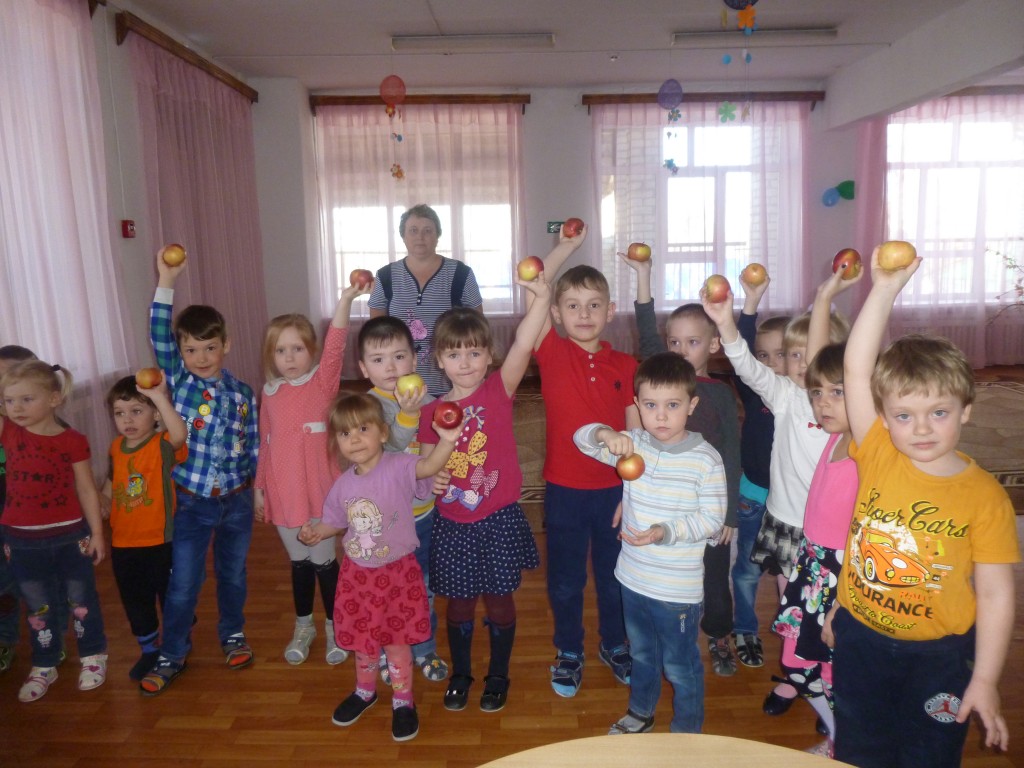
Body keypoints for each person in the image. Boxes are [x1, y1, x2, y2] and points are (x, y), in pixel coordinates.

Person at [824, 247, 1019, 768]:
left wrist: (985, 679)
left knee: (930, 755)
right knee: (860, 747)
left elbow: (996, 594)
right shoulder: (878, 452)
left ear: (965, 410)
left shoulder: (985, 496)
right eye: (905, 415)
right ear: (884, 417)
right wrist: (885, 289)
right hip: (861, 640)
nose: (922, 428)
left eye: (938, 412)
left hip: (939, 657)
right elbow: (856, 369)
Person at [702, 280, 849, 712]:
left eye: (809, 354)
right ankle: (796, 677)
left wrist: (824, 299)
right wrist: (726, 324)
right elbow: (747, 367)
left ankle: (829, 687)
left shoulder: (849, 409)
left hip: (833, 538)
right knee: (793, 611)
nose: (802, 364)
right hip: (786, 527)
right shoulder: (785, 396)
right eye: (793, 355)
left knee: (830, 617)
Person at [417, 268, 552, 713]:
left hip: (498, 519)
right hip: (454, 523)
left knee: (499, 602)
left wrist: (541, 299)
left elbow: (524, 344)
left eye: (474, 352)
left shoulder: (498, 390)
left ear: (489, 356)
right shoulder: (432, 412)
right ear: (438, 360)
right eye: (454, 354)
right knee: (459, 606)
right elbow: (425, 466)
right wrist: (433, 478)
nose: (465, 362)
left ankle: (498, 674)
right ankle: (461, 673)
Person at [575, 352, 727, 734]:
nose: (660, 416)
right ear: (637, 404)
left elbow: (712, 519)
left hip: (676, 590)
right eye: (650, 405)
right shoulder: (634, 445)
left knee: (680, 665)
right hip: (633, 579)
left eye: (672, 405)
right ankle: (641, 713)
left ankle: (687, 731)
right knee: (642, 655)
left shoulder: (706, 460)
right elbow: (581, 440)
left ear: (691, 405)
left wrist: (664, 531)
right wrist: (605, 434)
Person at [298, 392, 462, 743]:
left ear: (383, 433)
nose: (354, 439)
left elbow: (429, 468)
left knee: (397, 642)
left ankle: (403, 700)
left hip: (398, 573)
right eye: (345, 433)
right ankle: (365, 691)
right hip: (358, 576)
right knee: (364, 641)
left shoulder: (400, 465)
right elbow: (335, 521)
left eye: (363, 429)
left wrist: (447, 440)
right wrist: (316, 532)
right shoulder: (343, 484)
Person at [139, 251, 259, 695]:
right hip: (191, 503)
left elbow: (253, 443)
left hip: (236, 501)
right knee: (184, 583)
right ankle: (172, 653)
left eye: (210, 347)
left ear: (226, 345)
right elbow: (159, 332)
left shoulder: (243, 392)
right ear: (180, 353)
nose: (201, 356)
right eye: (190, 349)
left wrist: (258, 490)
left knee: (233, 575)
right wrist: (167, 279)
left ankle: (233, 634)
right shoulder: (180, 381)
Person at [533, 225, 640, 697]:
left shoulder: (627, 365)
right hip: (564, 491)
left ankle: (615, 644)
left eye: (594, 305)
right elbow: (539, 285)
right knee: (566, 581)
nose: (583, 314)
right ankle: (569, 650)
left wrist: (635, 491)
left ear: (610, 311)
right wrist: (566, 247)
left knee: (616, 577)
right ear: (556, 313)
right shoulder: (551, 351)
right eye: (572, 305)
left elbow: (635, 435)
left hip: (615, 493)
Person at [622, 253, 741, 677]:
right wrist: (643, 275)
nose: (681, 351)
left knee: (715, 577)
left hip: (709, 507)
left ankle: (720, 633)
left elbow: (731, 455)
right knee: (671, 572)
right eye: (674, 343)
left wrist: (729, 514)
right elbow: (646, 331)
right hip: (667, 503)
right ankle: (663, 630)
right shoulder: (664, 385)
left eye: (692, 342)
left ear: (713, 345)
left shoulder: (720, 394)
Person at [254, 285, 368, 666]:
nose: (289, 357)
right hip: (284, 495)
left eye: (297, 348)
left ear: (312, 351)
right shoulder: (269, 392)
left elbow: (336, 345)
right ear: (271, 355)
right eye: (280, 350)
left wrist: (346, 301)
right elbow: (265, 442)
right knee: (299, 563)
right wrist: (259, 489)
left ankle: (337, 626)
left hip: (321, 494)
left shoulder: (322, 383)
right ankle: (304, 626)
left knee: (324, 564)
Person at [0, 360, 108, 702]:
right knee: (38, 606)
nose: (16, 408)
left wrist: (98, 533)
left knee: (81, 601)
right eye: (9, 401)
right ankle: (45, 662)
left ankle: (92, 656)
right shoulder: (9, 432)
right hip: (21, 540)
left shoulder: (73, 440)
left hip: (70, 536)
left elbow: (87, 489)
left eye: (26, 399)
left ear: (54, 398)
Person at [770, 340, 856, 758]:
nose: (823, 402)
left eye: (837, 392)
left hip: (840, 578)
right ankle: (840, 737)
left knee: (834, 672)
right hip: (813, 569)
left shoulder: (864, 451)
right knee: (798, 664)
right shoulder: (832, 438)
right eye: (817, 392)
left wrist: (843, 599)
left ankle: (847, 745)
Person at [357, 316, 449, 681]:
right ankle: (387, 652)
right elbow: (389, 451)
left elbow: (444, 445)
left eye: (399, 356)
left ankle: (425, 648)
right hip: (386, 522)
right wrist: (409, 415)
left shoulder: (430, 401)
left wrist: (442, 467)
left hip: (424, 515)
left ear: (414, 359)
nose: (391, 367)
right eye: (378, 360)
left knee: (423, 588)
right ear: (364, 368)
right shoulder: (366, 408)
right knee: (386, 591)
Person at [101, 373, 188, 681]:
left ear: (155, 415)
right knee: (136, 601)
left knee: (171, 597)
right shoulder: (115, 447)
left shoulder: (161, 445)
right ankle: (149, 650)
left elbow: (179, 435)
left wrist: (160, 398)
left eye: (137, 411)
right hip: (123, 544)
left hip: (160, 542)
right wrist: (100, 503)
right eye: (119, 413)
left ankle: (178, 642)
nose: (127, 420)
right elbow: (112, 485)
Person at [730, 273, 791, 670]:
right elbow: (742, 345)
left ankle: (795, 634)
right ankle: (744, 629)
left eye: (781, 354)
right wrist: (750, 303)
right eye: (763, 356)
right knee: (748, 571)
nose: (770, 363)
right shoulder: (755, 392)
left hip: (793, 505)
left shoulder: (809, 398)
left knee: (792, 573)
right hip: (754, 496)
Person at [0, 345, 73, 675]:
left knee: (46, 581)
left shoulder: (50, 428)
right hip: (6, 513)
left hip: (40, 519)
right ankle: (5, 639)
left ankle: (52, 637)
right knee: (4, 582)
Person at [368, 203, 483, 396]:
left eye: (427, 230)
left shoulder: (461, 274)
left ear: (438, 235)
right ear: (403, 236)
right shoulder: (385, 276)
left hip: (451, 385)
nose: (420, 237)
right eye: (413, 230)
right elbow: (376, 335)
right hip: (399, 384)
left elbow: (477, 328)